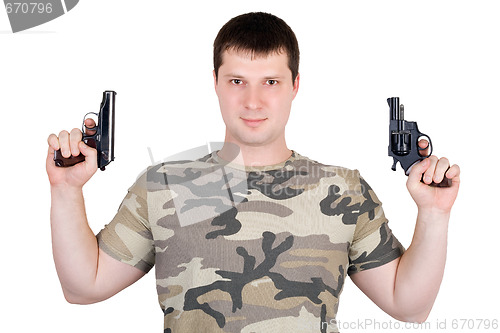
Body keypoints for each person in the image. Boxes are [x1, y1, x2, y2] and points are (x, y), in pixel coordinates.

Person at [46, 12, 460, 333]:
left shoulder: (342, 188)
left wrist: (435, 213)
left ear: (296, 85)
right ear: (216, 82)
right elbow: (83, 288)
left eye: (271, 82)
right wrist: (66, 189)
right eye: (238, 80)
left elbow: (410, 306)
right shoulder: (167, 185)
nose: (254, 101)